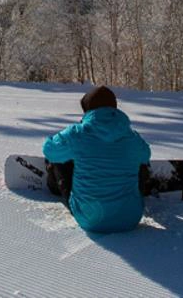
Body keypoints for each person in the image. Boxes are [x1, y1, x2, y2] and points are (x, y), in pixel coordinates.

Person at [42, 85, 151, 234]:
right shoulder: (131, 136)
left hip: (90, 219)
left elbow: (49, 150)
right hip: (130, 219)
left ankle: (55, 185)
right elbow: (146, 155)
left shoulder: (77, 134)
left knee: (58, 159)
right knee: (139, 162)